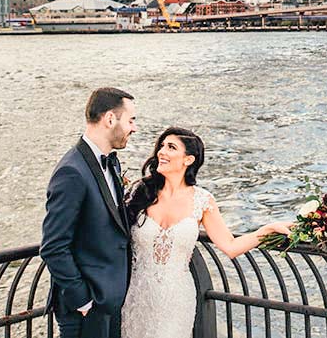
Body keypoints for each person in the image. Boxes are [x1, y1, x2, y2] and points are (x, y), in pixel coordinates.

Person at [120, 128, 291, 338]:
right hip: (137, 294)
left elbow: (230, 246)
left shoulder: (202, 200)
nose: (161, 152)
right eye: (162, 146)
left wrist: (266, 230)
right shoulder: (141, 192)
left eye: (171, 147)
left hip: (176, 299)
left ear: (188, 159)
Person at [41, 88, 138, 338]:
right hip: (85, 308)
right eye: (130, 120)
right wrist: (82, 300)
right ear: (109, 119)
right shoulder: (71, 172)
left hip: (108, 301)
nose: (134, 128)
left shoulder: (110, 162)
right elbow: (53, 246)